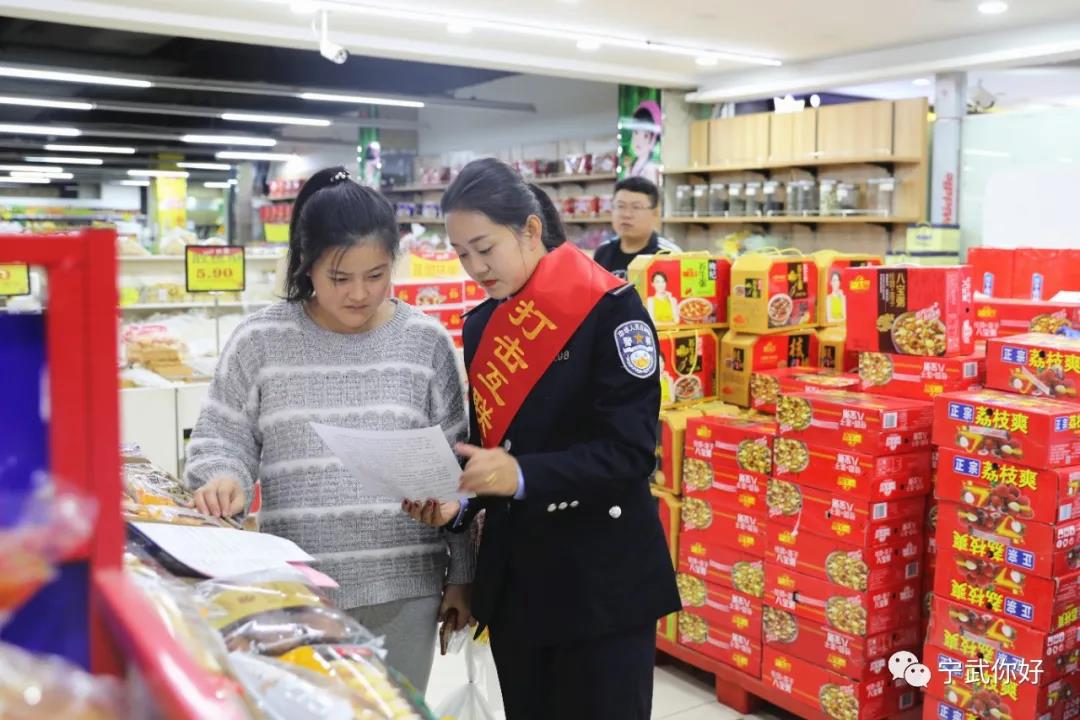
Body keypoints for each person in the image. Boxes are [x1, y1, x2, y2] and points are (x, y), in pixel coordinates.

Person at [402, 158, 680, 720]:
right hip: (519, 584)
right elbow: (490, 448)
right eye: (461, 253)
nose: (475, 267)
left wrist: (524, 474)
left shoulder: (610, 310)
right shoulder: (482, 325)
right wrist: (458, 505)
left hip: (599, 582)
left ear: (530, 229)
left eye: (485, 248)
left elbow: (629, 452)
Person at [183, 166, 473, 693]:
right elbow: (221, 438)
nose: (360, 293)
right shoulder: (260, 341)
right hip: (296, 589)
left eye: (376, 274)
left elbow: (461, 470)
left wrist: (463, 577)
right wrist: (223, 477)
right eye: (340, 278)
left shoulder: (425, 342)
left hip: (405, 588)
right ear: (306, 263)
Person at [592, 176, 681, 280]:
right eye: (620, 206)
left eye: (636, 207)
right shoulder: (603, 252)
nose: (626, 214)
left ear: (655, 213)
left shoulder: (669, 255)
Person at [626, 100, 662, 184]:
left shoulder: (649, 168)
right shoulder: (631, 166)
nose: (638, 140)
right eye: (636, 132)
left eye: (645, 136)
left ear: (653, 140)